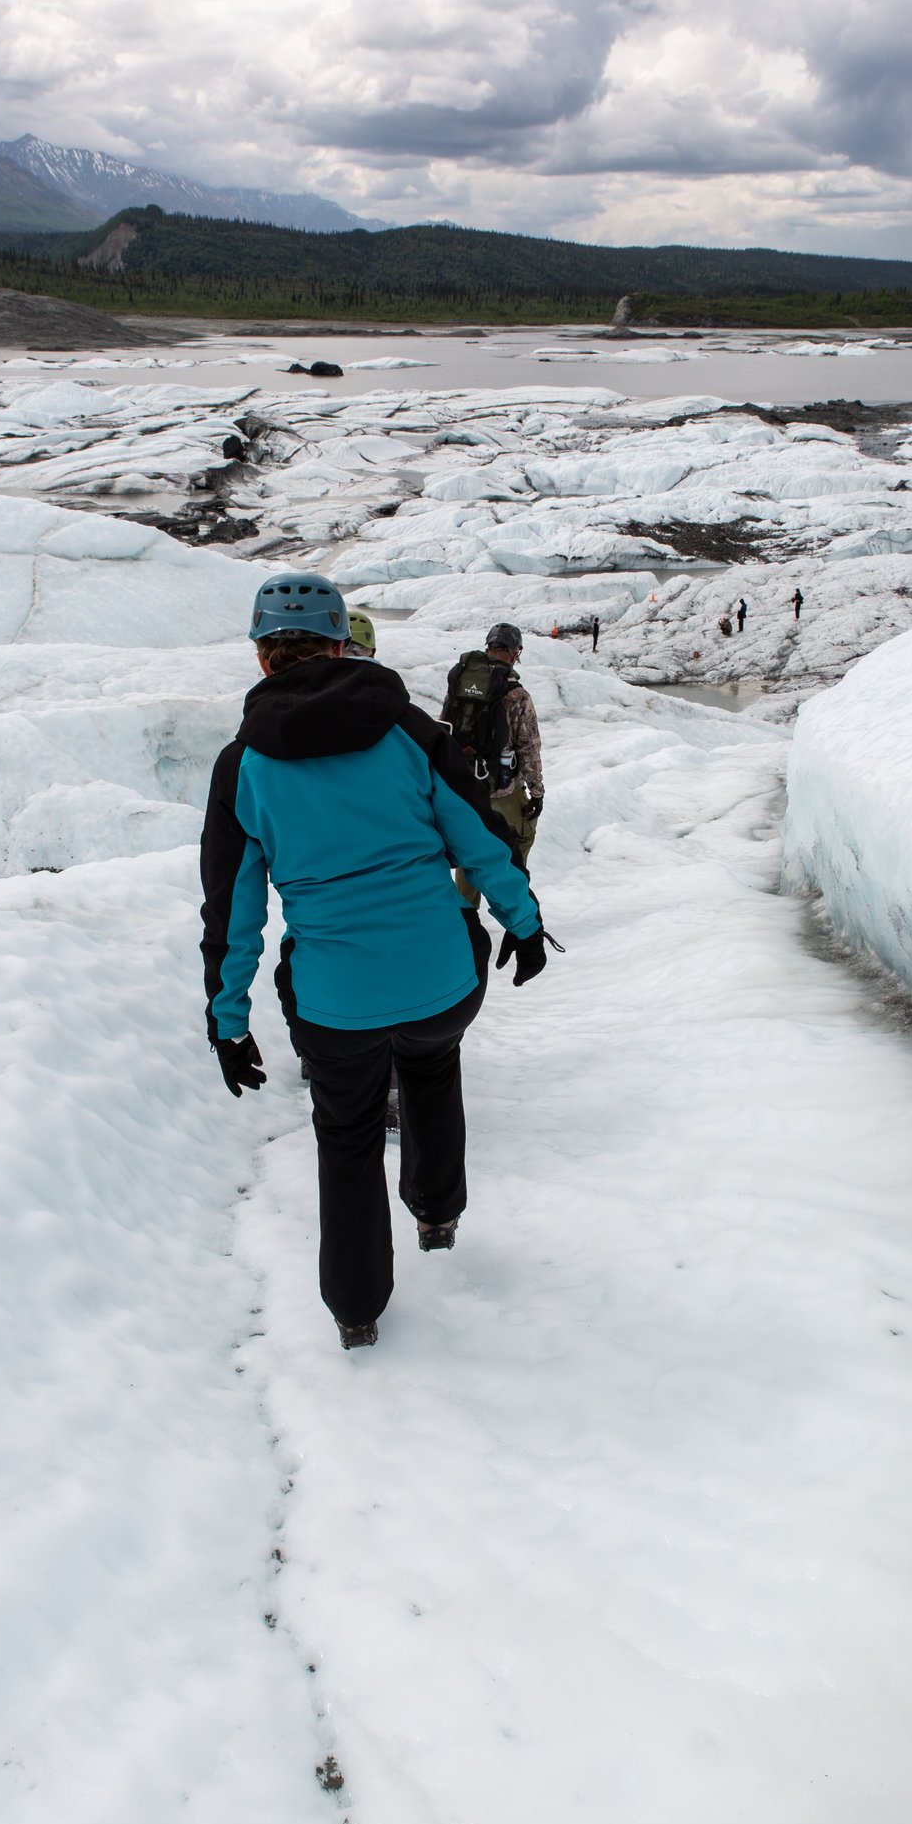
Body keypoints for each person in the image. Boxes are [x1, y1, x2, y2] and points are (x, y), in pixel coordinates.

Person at [201, 572, 546, 1351]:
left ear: (261, 658)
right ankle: (437, 1213)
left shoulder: (242, 765)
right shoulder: (408, 732)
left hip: (334, 1002)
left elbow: (233, 914)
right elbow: (479, 841)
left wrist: (228, 1022)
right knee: (431, 1069)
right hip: (441, 980)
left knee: (347, 1134)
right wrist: (524, 925)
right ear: (339, 647)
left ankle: (356, 1311)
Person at [441, 621, 544, 907]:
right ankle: (515, 909)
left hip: (466, 787)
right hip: (503, 789)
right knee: (520, 839)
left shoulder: (460, 682)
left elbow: (446, 730)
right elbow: (529, 747)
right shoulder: (517, 694)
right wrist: (537, 793)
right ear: (515, 652)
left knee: (470, 849)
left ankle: (466, 915)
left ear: (488, 647)